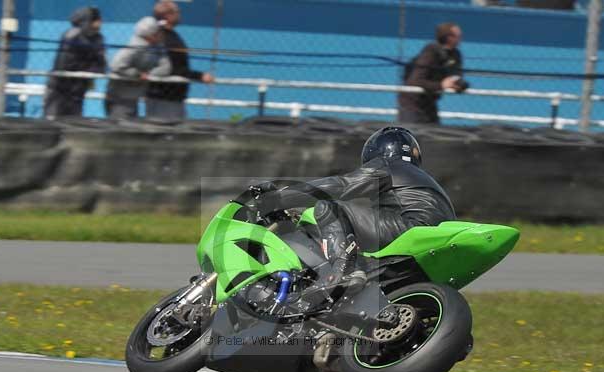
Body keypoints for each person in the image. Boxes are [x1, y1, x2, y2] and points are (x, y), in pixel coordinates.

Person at [254, 126, 456, 290]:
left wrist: (279, 198)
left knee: (329, 207)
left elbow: (341, 185)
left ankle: (344, 270)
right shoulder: (427, 180)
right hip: (435, 238)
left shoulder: (387, 165)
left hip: (410, 227)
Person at [145, 1, 214, 120]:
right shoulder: (165, 37)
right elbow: (174, 67)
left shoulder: (165, 35)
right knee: (167, 131)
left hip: (168, 95)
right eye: (178, 12)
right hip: (166, 97)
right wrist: (200, 76)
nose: (180, 15)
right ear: (168, 15)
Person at [44, 6, 106, 119]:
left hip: (79, 88)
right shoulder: (72, 36)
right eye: (97, 19)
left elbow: (101, 64)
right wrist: (85, 68)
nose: (101, 22)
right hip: (60, 87)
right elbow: (63, 63)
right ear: (89, 20)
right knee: (53, 119)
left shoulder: (98, 38)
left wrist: (88, 72)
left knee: (73, 121)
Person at [398, 22, 467, 125]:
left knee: (434, 132)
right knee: (412, 133)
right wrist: (441, 85)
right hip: (413, 103)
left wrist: (459, 85)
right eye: (458, 35)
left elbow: (456, 76)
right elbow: (415, 81)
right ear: (449, 38)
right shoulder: (431, 51)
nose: (461, 38)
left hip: (430, 100)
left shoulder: (455, 54)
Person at [105, 17, 172, 120]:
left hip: (133, 97)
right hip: (119, 98)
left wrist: (150, 74)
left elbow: (166, 67)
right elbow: (116, 65)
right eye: (159, 31)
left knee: (131, 128)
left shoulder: (157, 47)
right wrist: (137, 74)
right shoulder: (135, 46)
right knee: (120, 130)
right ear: (150, 34)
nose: (162, 33)